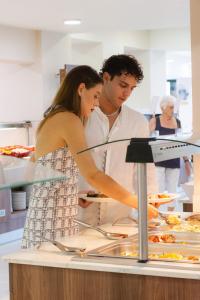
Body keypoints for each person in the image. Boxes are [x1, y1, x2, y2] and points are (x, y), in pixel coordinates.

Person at [22, 65, 158, 249]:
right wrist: (138, 203)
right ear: (81, 89)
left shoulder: (57, 117)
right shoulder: (69, 120)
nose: (96, 103)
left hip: (47, 217)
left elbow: (33, 171)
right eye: (95, 96)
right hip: (52, 221)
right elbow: (93, 174)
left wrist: (70, 192)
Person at [78, 54, 157, 225]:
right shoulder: (80, 116)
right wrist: (70, 193)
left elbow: (145, 170)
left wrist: (148, 204)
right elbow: (61, 161)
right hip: (80, 215)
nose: (127, 93)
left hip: (120, 217)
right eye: (123, 85)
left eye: (132, 88)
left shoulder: (137, 122)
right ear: (106, 78)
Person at [149, 95, 190, 210]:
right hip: (158, 161)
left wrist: (186, 161)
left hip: (174, 160)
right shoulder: (154, 121)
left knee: (173, 192)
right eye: (171, 107)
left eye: (174, 107)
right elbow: (146, 140)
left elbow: (181, 143)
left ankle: (171, 217)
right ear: (163, 108)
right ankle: (158, 215)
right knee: (159, 191)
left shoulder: (177, 122)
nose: (173, 110)